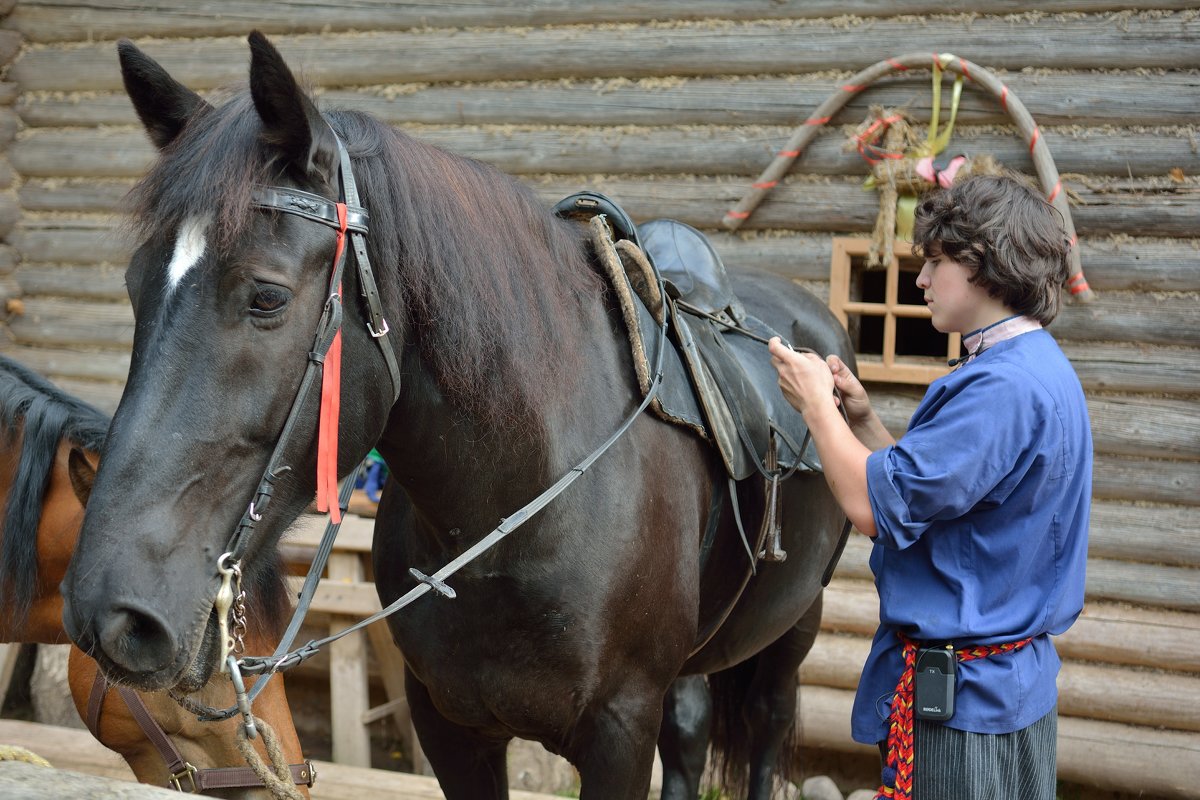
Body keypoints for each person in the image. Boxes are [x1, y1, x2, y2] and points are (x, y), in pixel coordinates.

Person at [768, 174, 1092, 800]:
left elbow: (872, 507)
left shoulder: (1002, 389)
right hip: (1002, 689)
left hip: (965, 703)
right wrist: (862, 420)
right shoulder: (1034, 365)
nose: (919, 280)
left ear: (984, 263)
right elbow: (944, 500)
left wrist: (817, 408)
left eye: (935, 262)